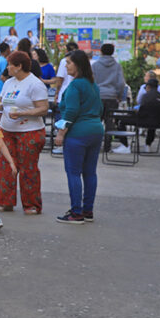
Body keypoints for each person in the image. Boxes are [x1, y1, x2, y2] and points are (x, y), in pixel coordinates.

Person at [54, 50, 104, 224]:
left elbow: (71, 111)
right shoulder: (92, 84)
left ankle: (76, 212)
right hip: (95, 130)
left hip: (78, 133)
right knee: (90, 173)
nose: (66, 66)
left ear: (78, 65)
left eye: (68, 62)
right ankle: (87, 210)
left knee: (73, 173)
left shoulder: (75, 86)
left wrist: (61, 133)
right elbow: (100, 109)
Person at [0, 51, 48, 214]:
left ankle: (31, 204)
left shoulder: (35, 84)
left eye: (10, 65)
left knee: (28, 168)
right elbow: (1, 103)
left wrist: (23, 113)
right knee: (6, 166)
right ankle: (6, 202)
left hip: (29, 132)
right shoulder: (9, 83)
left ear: (19, 66)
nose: (7, 68)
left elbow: (43, 109)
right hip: (7, 130)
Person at [91, 43, 127, 153]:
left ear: (101, 51)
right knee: (109, 123)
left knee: (95, 122)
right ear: (113, 52)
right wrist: (119, 96)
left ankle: (94, 146)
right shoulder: (117, 66)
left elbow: (91, 81)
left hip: (98, 97)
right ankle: (107, 147)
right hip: (112, 97)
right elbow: (121, 83)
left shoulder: (95, 65)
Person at [52, 41, 80, 154]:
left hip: (64, 94)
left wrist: (57, 93)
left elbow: (60, 79)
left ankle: (61, 144)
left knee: (62, 118)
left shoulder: (65, 60)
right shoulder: (88, 83)